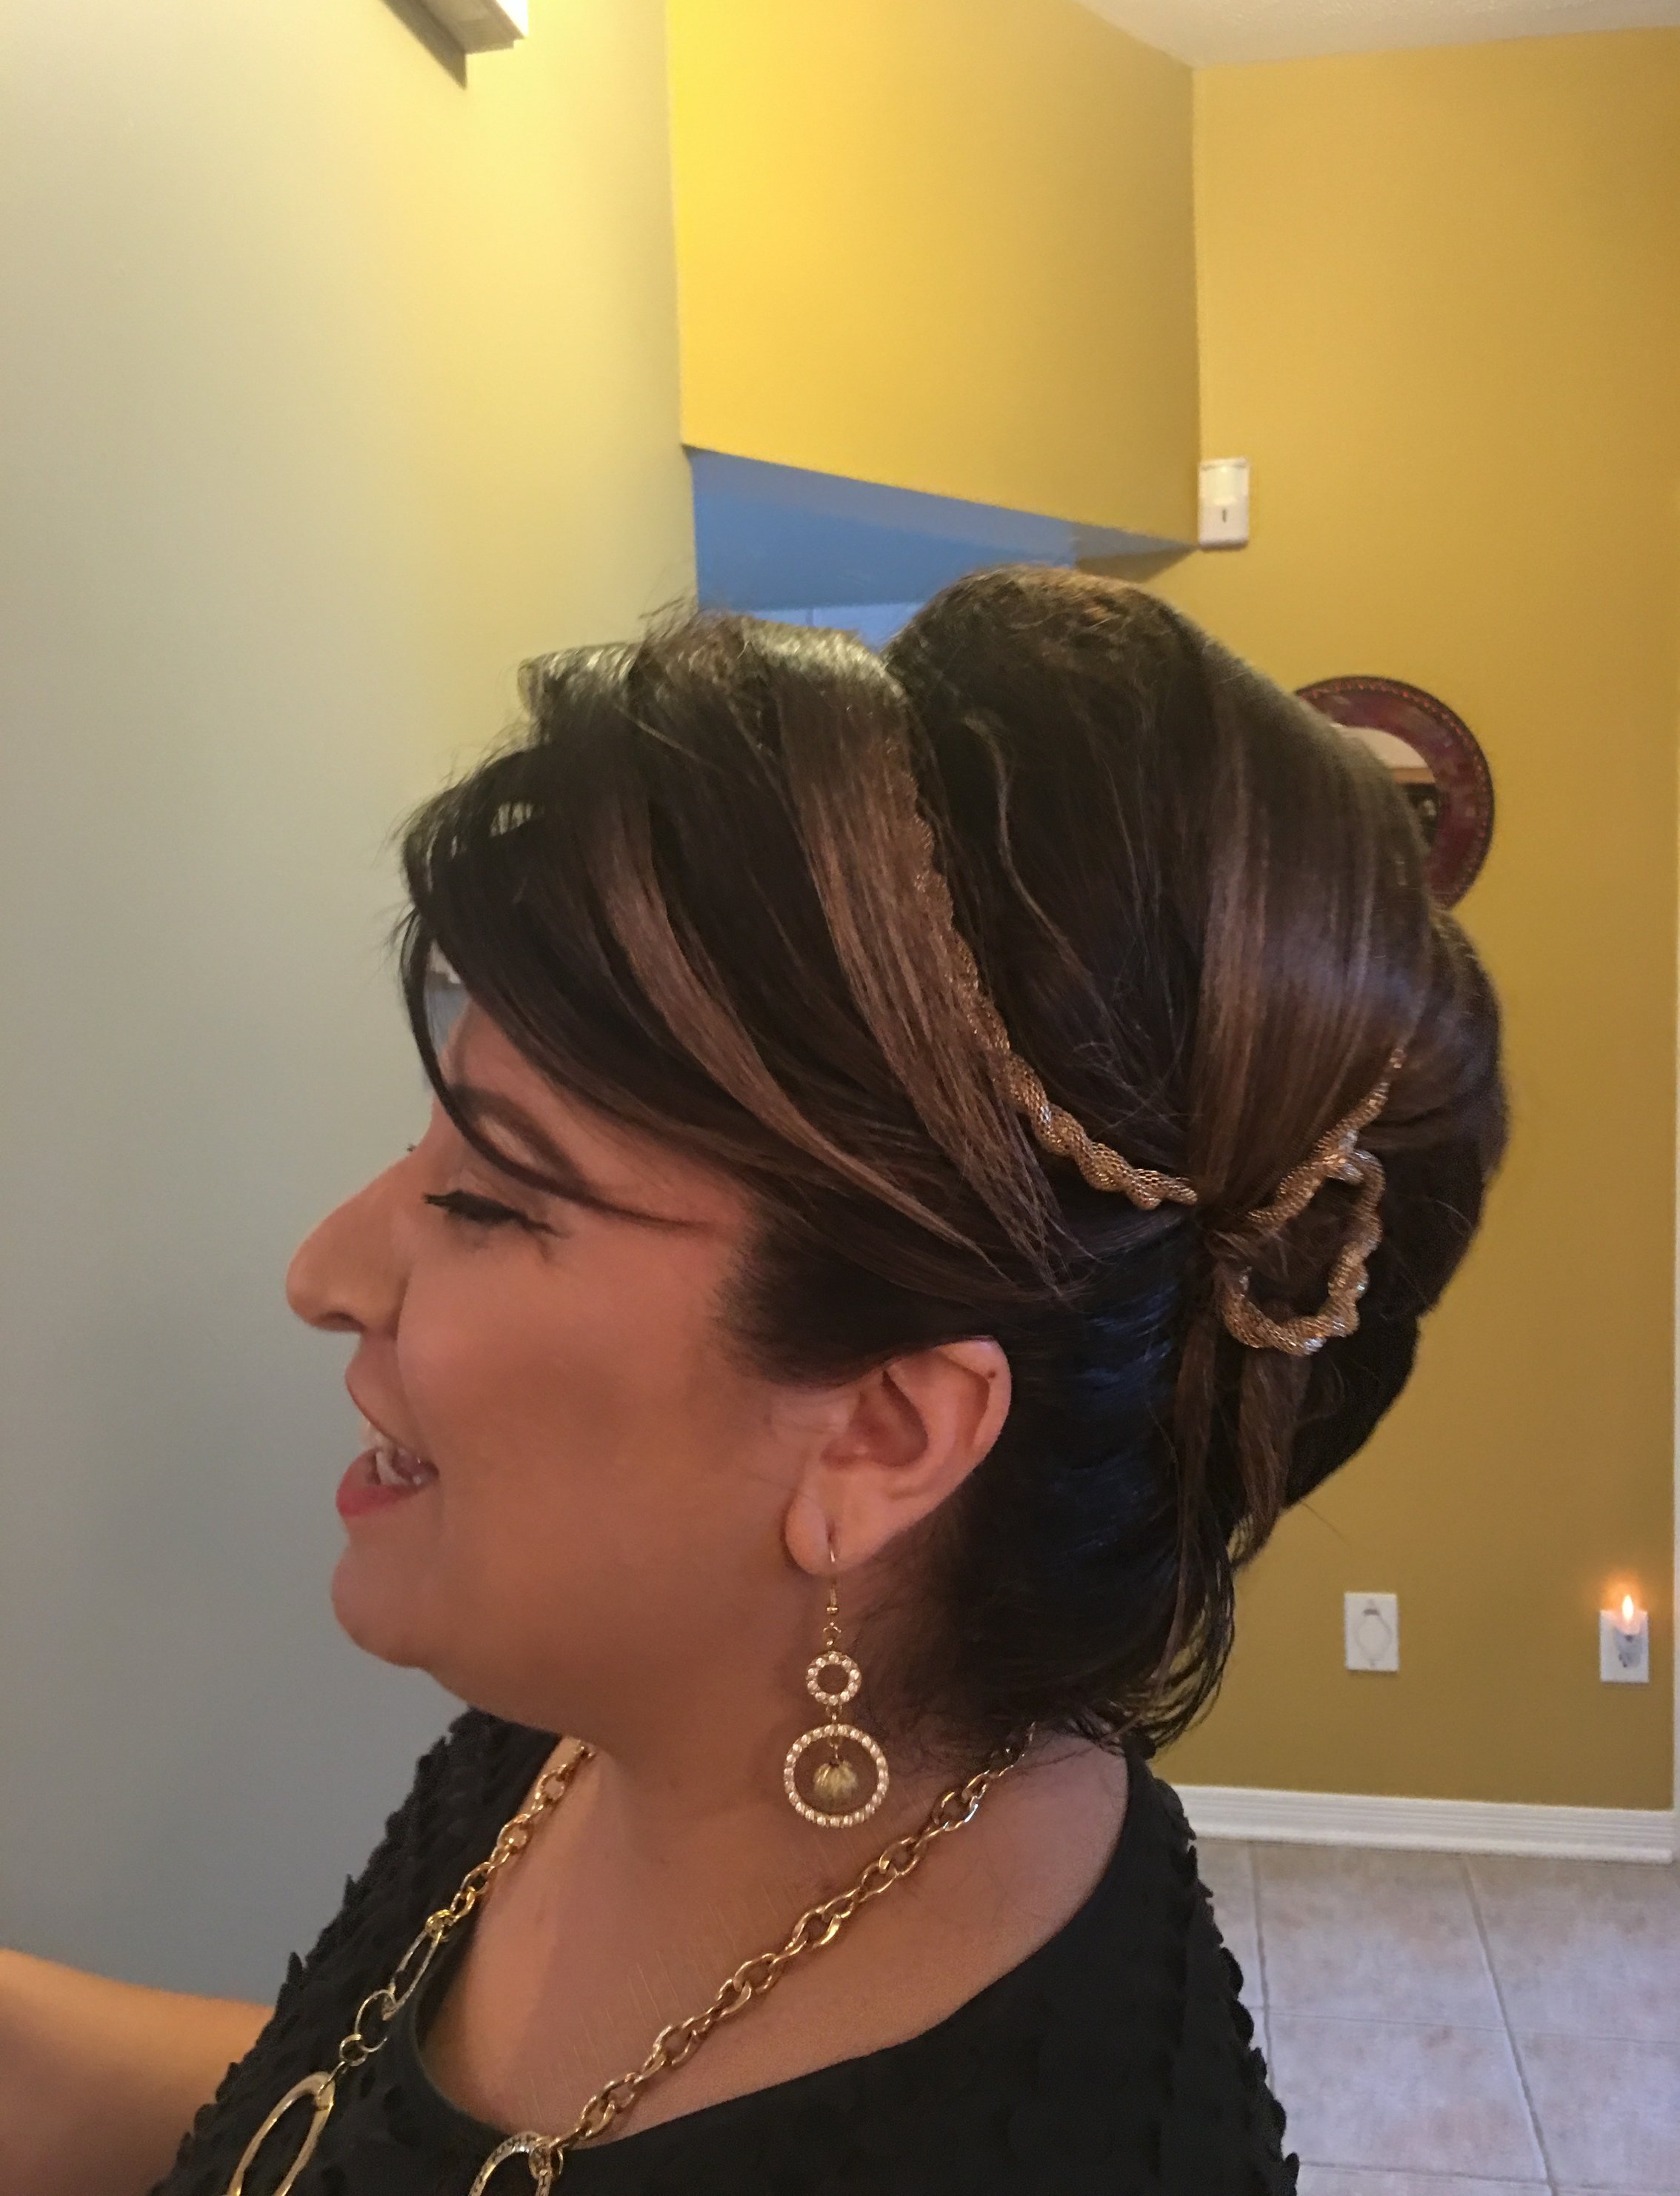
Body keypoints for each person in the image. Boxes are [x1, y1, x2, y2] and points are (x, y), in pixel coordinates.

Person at [0, 569, 1504, 2195]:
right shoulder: (625, 1717)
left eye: (492, 1198)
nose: (325, 1270)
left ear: (882, 1433)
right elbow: (348, 2121)